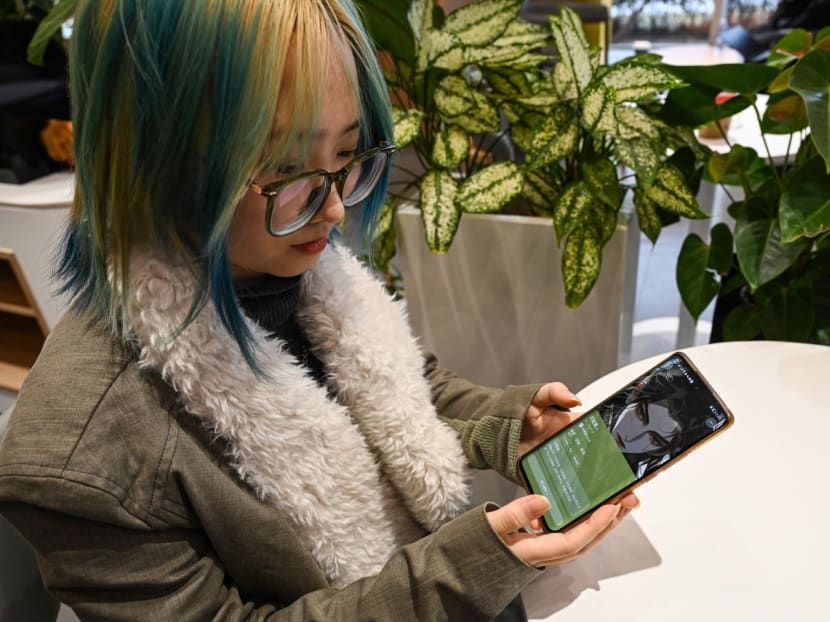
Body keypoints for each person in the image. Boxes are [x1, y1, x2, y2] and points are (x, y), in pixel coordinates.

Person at [0, 1, 637, 620]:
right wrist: (464, 570)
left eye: (348, 156)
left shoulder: (300, 269)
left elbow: (399, 393)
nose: (333, 211)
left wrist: (509, 425)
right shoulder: (83, 460)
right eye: (285, 168)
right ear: (152, 157)